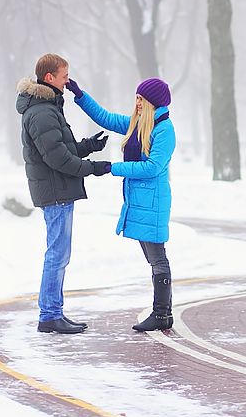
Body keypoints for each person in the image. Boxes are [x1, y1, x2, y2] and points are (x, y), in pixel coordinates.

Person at [65, 76, 176, 332]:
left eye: (141, 99)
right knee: (153, 257)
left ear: (152, 102)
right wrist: (80, 96)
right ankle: (164, 313)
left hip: (153, 202)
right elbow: (106, 118)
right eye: (136, 98)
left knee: (157, 258)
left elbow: (152, 167)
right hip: (139, 201)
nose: (137, 103)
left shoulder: (164, 130)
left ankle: (161, 314)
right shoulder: (138, 126)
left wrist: (112, 167)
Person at [16, 53, 113, 334]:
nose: (67, 80)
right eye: (64, 75)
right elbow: (57, 159)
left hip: (58, 189)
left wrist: (88, 146)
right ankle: (49, 315)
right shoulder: (42, 112)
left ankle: (54, 312)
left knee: (60, 253)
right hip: (55, 191)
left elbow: (61, 148)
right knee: (57, 254)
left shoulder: (48, 108)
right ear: (50, 78)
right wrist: (93, 168)